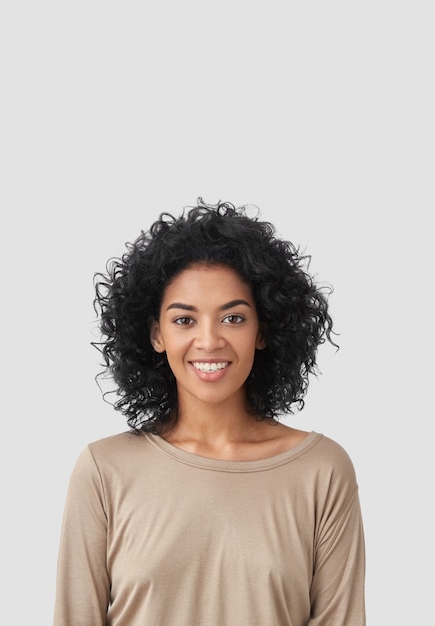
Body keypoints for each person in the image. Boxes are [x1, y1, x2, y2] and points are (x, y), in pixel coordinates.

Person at [53, 199, 366, 626]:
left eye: (233, 318)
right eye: (184, 321)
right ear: (156, 334)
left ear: (263, 330)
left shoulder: (321, 471)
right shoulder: (104, 471)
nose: (209, 340)